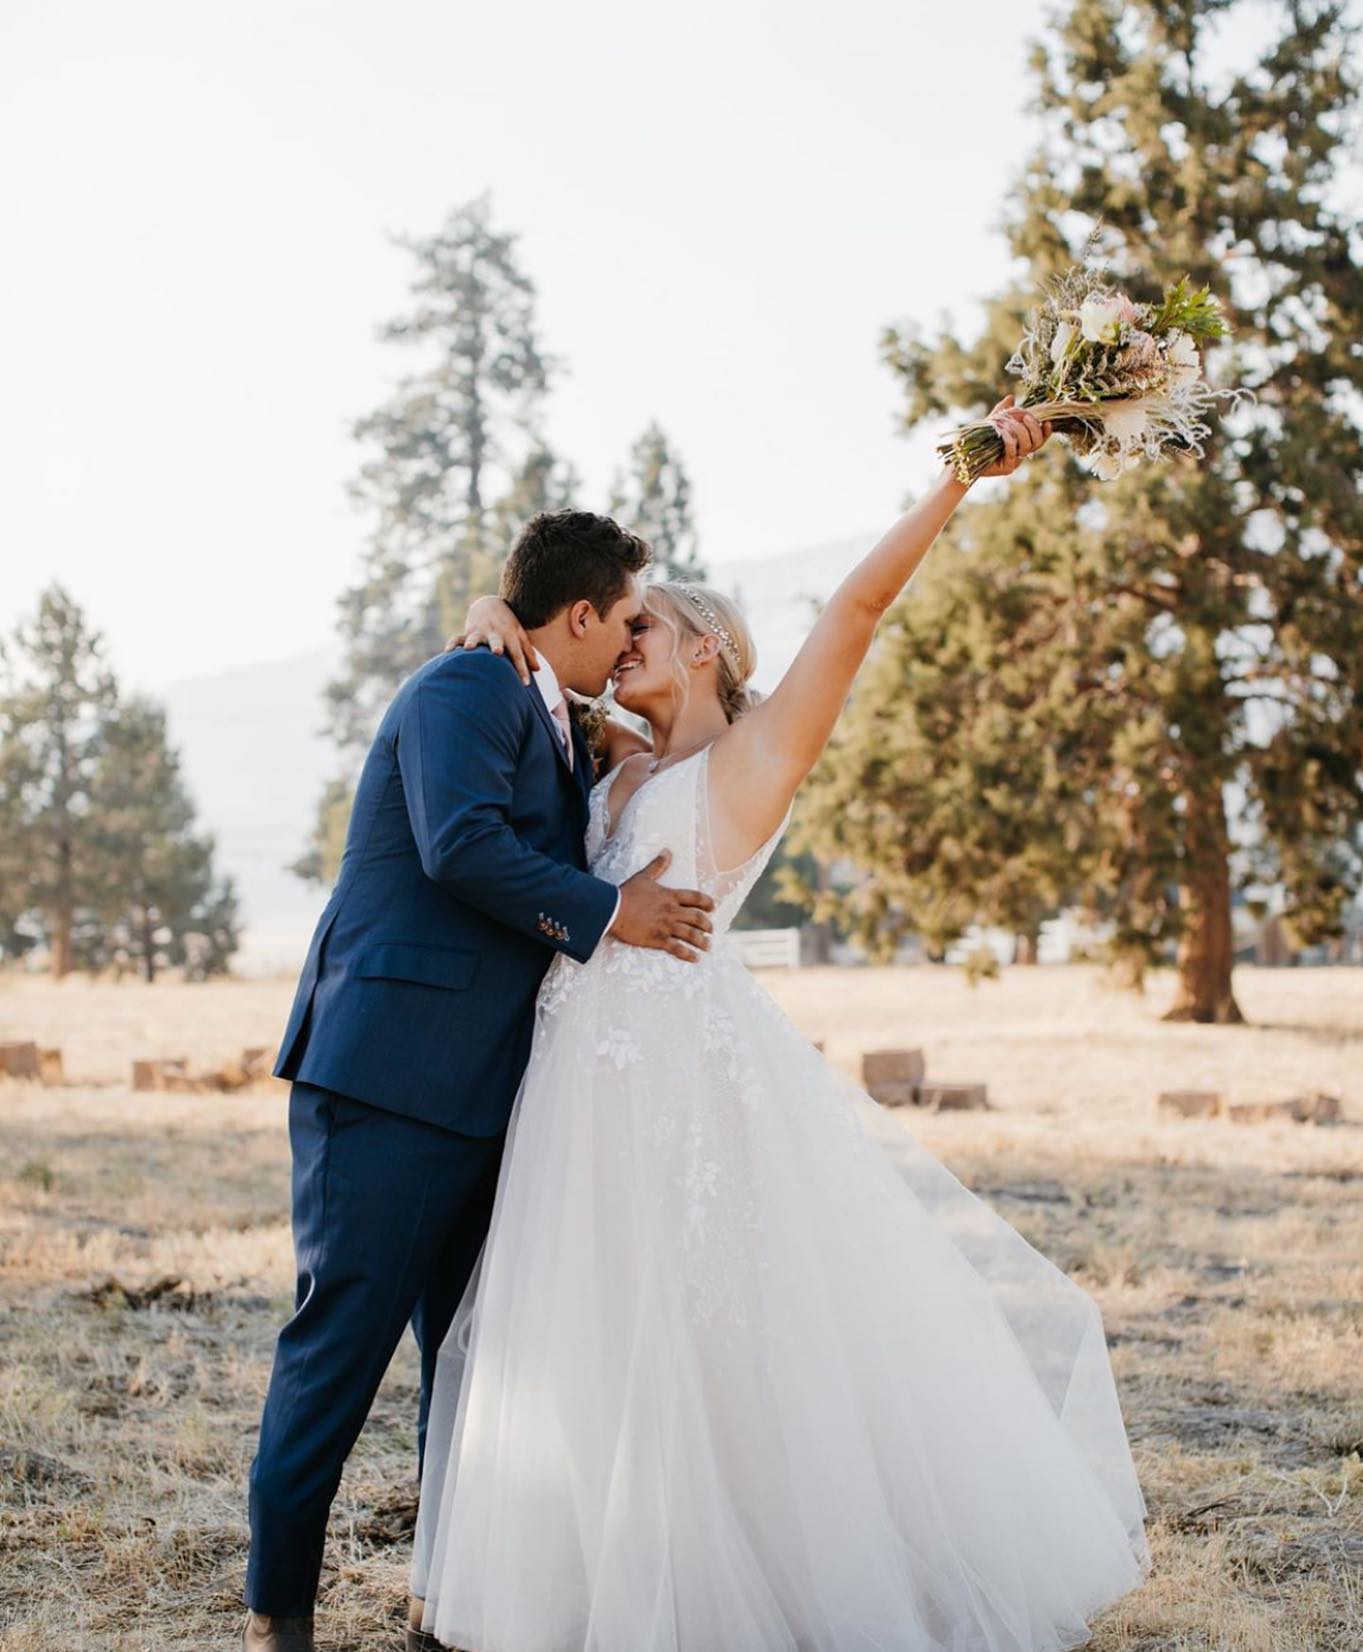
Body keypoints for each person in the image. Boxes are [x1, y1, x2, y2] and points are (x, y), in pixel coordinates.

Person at [409, 396, 1149, 1652]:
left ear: (703, 645)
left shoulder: (751, 763)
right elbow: (530, 660)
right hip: (576, 1094)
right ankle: (600, 1577)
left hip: (683, 1088)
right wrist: (494, 617)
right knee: (597, 1335)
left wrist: (959, 478)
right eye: (615, 621)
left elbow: (856, 614)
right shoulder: (616, 764)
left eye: (643, 622)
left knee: (711, 1332)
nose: (620, 636)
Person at [243, 512, 718, 1652]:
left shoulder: (551, 714)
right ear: (582, 613)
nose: (630, 644)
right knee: (340, 1347)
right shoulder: (469, 687)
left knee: (467, 1361)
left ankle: (445, 1597)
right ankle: (279, 1611)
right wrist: (614, 913)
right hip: (392, 1078)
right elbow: (456, 844)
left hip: (488, 1097)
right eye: (624, 621)